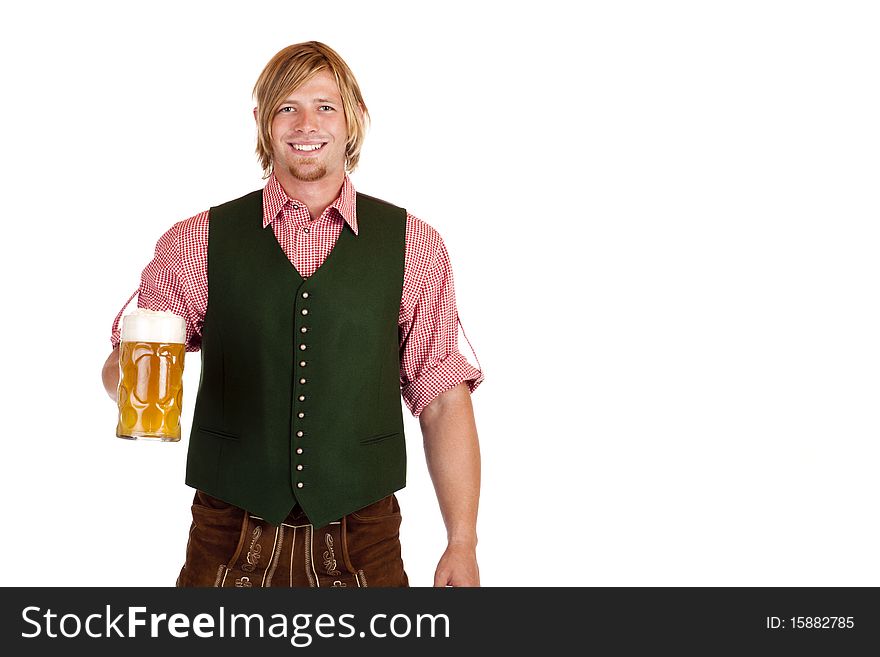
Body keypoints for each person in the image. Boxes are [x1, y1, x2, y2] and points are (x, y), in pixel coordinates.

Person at [101, 41, 483, 588]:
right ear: (262, 122)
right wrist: (128, 378)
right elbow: (124, 365)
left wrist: (462, 541)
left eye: (325, 106)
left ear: (352, 118)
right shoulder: (194, 242)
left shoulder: (414, 245)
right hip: (228, 532)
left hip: (364, 537)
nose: (307, 123)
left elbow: (444, 398)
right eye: (287, 107)